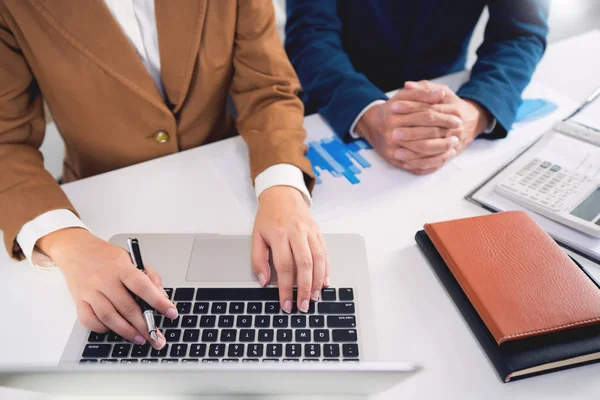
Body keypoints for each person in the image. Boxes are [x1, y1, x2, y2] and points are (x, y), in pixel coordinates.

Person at [0, 0, 328, 350]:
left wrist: (281, 184)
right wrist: (67, 242)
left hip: (228, 186)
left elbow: (267, 88)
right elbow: (6, 142)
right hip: (98, 209)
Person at [285, 0, 550, 175]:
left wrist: (475, 111)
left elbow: (521, 33)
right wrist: (366, 113)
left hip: (445, 98)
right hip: (334, 95)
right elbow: (310, 32)